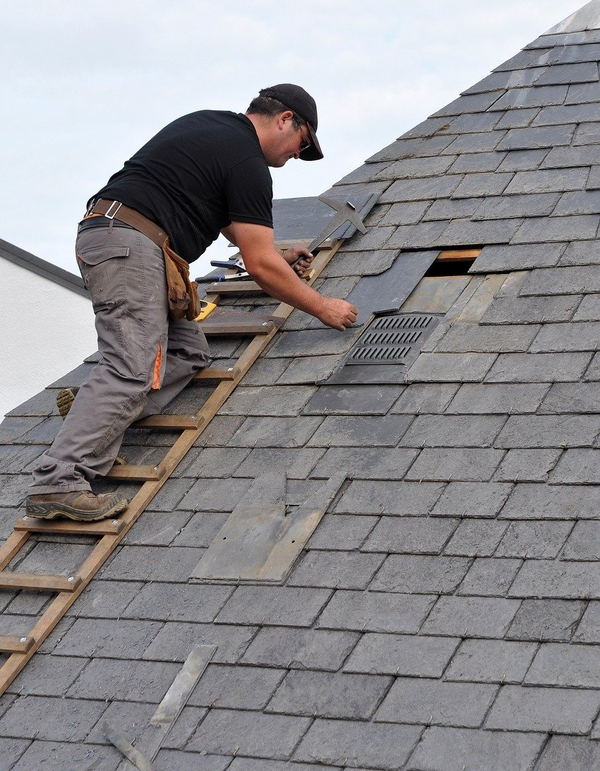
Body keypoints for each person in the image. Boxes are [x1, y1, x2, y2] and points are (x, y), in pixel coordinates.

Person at [25, 84, 358, 522]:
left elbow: (237, 230)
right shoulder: (248, 162)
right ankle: (59, 481)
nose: (299, 153)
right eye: (304, 142)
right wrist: (322, 307)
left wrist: (279, 250)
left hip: (122, 238)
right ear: (285, 119)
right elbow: (259, 265)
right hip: (132, 245)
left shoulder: (211, 126)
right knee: (132, 366)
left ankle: (91, 414)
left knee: (187, 352)